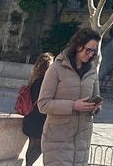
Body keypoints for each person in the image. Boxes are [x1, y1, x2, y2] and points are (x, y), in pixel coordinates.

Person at [37, 29, 103, 166]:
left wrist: (94, 108)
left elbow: (96, 98)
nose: (91, 54)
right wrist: (73, 106)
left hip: (82, 143)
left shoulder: (92, 70)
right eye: (88, 50)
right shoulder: (56, 68)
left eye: (94, 51)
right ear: (78, 46)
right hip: (57, 141)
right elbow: (43, 104)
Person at [23, 53, 54, 166]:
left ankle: (28, 164)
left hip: (31, 115)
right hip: (40, 116)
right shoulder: (46, 80)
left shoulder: (34, 78)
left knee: (32, 145)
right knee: (41, 146)